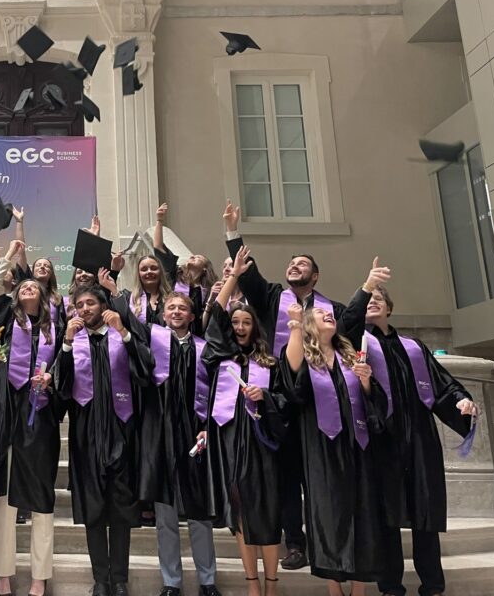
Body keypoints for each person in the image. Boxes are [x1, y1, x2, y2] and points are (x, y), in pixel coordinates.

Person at [339, 270, 478, 596]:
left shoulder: (414, 347)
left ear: (389, 308)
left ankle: (433, 586)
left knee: (425, 512)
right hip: (382, 439)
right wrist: (366, 286)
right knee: (386, 516)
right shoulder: (358, 342)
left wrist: (461, 400)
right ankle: (391, 587)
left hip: (419, 439)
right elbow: (345, 324)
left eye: (378, 298)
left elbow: (442, 383)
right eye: (368, 299)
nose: (372, 302)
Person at [223, 200, 344, 571]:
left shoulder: (331, 310)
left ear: (315, 276)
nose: (295, 266)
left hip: (319, 399)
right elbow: (250, 277)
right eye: (292, 263)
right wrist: (233, 232)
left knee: (320, 474)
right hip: (280, 398)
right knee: (289, 476)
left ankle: (330, 542)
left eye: (302, 264)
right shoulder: (274, 297)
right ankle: (296, 543)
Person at [283, 301, 390, 594]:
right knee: (327, 515)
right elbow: (291, 379)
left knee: (362, 513)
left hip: (357, 446)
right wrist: (295, 325)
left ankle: (359, 589)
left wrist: (366, 382)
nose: (328, 314)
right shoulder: (304, 356)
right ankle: (334, 588)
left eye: (329, 313)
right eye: (320, 313)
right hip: (320, 447)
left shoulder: (349, 356)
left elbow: (371, 401)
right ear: (309, 325)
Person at [56, 285, 154, 596]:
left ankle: (120, 579)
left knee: (121, 508)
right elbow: (61, 386)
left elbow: (145, 370)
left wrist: (123, 332)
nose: (85, 309)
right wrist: (67, 343)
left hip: (122, 429)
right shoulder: (73, 341)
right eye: (80, 305)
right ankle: (100, 579)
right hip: (86, 434)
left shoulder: (120, 336)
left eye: (91, 303)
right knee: (94, 507)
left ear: (104, 305)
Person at [203, 248, 288, 596]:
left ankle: (272, 584)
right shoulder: (220, 355)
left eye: (246, 322)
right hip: (229, 442)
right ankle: (252, 583)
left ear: (255, 327)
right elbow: (215, 316)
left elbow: (285, 402)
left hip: (262, 444)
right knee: (238, 512)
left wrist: (263, 396)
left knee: (266, 511)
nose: (239, 327)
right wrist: (233, 277)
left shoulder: (270, 363)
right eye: (235, 322)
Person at [133, 292, 222, 596]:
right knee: (165, 516)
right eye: (171, 307)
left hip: (195, 437)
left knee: (199, 514)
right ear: (163, 315)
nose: (176, 311)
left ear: (192, 317)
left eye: (183, 308)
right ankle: (171, 582)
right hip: (162, 438)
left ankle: (207, 581)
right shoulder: (152, 345)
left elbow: (216, 393)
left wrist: (207, 428)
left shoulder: (204, 350)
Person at [0, 277, 63, 596]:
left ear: (44, 295)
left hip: (41, 415)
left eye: (34, 285)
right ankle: (3, 571)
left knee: (42, 496)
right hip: (9, 412)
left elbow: (65, 363)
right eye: (23, 286)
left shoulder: (55, 328)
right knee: (5, 497)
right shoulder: (5, 321)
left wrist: (52, 378)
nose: (29, 287)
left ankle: (40, 575)